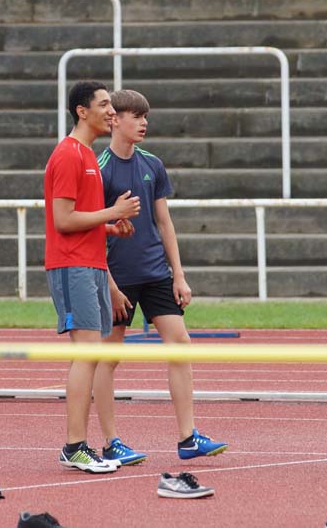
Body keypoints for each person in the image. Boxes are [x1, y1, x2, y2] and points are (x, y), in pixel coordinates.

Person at [92, 88, 228, 466]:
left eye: (145, 116)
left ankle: (188, 437)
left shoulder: (152, 164)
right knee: (108, 358)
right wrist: (110, 285)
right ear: (115, 120)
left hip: (156, 273)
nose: (144, 123)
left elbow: (164, 222)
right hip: (118, 276)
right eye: (136, 116)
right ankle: (110, 442)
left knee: (179, 344)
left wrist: (178, 276)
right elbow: (91, 232)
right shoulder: (100, 169)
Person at [44, 80, 140, 474]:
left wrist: (108, 227)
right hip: (72, 266)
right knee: (86, 353)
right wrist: (112, 213)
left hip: (92, 265)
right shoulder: (68, 155)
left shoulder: (87, 155)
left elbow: (81, 218)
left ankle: (79, 446)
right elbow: (63, 220)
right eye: (103, 105)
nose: (111, 111)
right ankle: (74, 446)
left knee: (92, 353)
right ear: (82, 111)